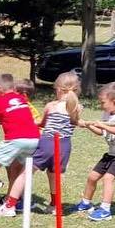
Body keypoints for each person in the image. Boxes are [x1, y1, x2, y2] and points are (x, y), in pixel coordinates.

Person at [0, 73, 40, 216]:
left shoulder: (0, 101)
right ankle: (10, 202)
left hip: (16, 139)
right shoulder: (21, 99)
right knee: (16, 168)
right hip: (34, 139)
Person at [76, 82, 115, 221]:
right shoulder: (107, 113)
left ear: (114, 102)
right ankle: (85, 203)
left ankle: (105, 210)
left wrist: (102, 124)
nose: (101, 105)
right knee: (92, 177)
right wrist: (88, 125)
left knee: (108, 178)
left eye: (103, 102)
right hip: (111, 154)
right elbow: (100, 132)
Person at [31, 71, 81, 214]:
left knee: (27, 171)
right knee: (55, 174)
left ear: (58, 89)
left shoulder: (51, 105)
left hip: (47, 142)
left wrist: (31, 122)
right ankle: (55, 204)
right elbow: (74, 123)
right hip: (64, 146)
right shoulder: (77, 108)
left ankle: (14, 201)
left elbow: (42, 123)